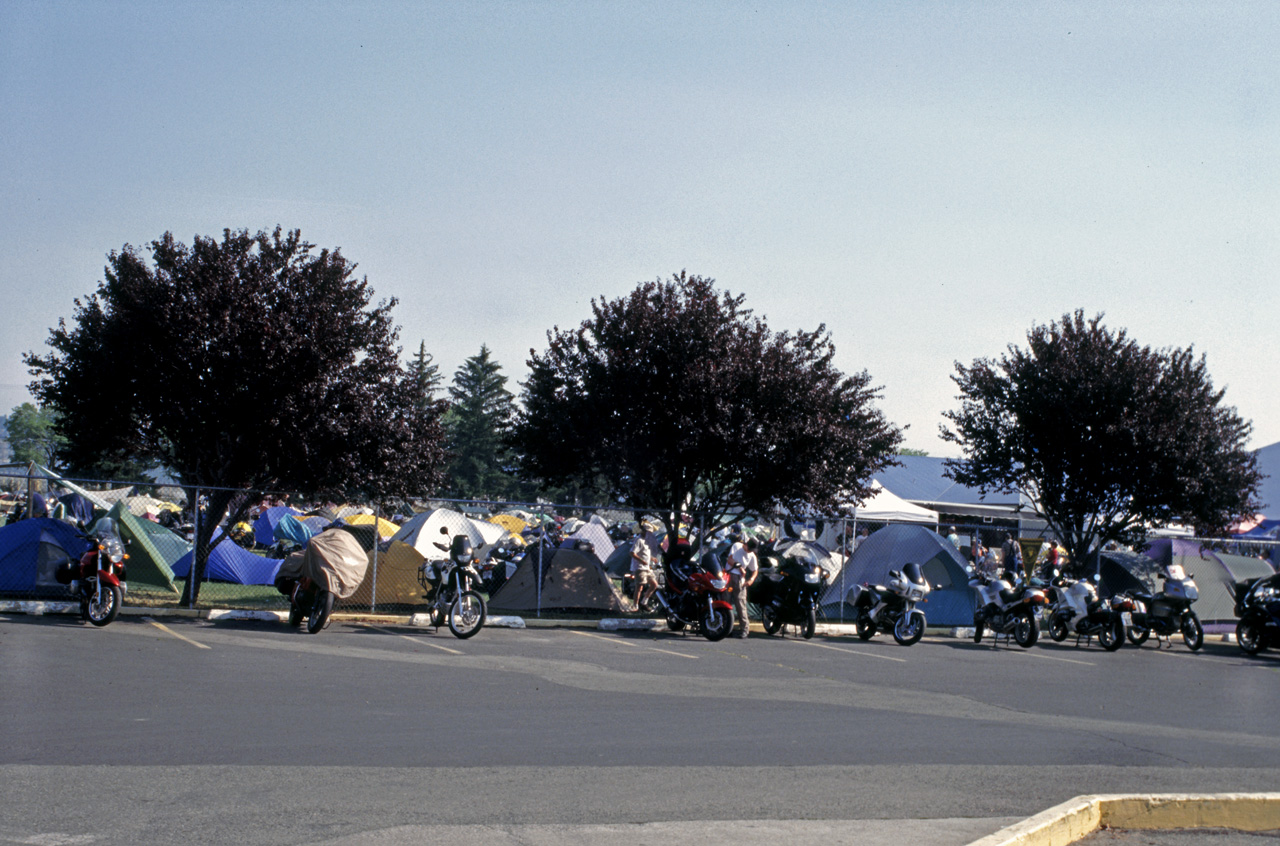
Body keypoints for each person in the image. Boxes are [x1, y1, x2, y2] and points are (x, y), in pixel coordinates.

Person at [726, 536, 759, 638]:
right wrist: (740, 567)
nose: (750, 551)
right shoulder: (737, 546)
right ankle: (726, 627)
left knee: (740, 604)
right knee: (725, 601)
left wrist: (751, 580)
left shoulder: (752, 555)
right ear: (746, 545)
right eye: (750, 549)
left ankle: (744, 628)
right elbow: (729, 560)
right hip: (730, 576)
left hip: (740, 580)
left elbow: (755, 570)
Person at [630, 519, 660, 612]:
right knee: (639, 587)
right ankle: (635, 606)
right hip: (640, 567)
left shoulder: (647, 541)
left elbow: (644, 553)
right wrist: (642, 561)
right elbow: (632, 553)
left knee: (654, 584)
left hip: (647, 567)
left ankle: (644, 602)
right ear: (643, 531)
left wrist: (651, 558)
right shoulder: (639, 540)